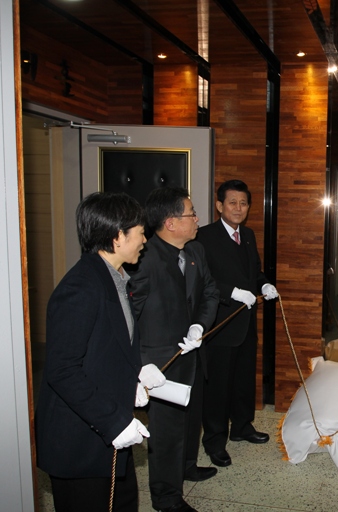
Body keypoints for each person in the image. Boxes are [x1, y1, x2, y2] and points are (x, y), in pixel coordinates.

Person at [36, 192, 166, 512]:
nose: (145, 240)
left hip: (109, 430)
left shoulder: (116, 279)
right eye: (140, 232)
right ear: (118, 236)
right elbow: (63, 371)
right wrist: (114, 421)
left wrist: (134, 376)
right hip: (81, 438)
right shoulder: (80, 288)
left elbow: (106, 349)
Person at [128, 187, 220, 512]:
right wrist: (140, 364)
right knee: (167, 432)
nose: (197, 219)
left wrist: (200, 326)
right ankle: (166, 497)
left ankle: (187, 466)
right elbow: (129, 318)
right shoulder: (144, 258)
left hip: (193, 354)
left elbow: (210, 291)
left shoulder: (195, 249)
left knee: (191, 419)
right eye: (191, 214)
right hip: (160, 363)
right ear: (170, 222)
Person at [197, 179, 279, 468]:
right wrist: (230, 292)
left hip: (246, 323)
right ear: (219, 205)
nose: (238, 208)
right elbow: (201, 279)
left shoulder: (248, 235)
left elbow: (254, 272)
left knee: (244, 379)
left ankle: (242, 426)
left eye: (243, 203)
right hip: (220, 324)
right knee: (218, 386)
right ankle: (214, 441)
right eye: (232, 202)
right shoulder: (203, 236)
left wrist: (265, 284)